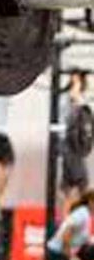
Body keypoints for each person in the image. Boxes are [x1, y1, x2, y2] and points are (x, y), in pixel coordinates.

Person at [34, 190, 94, 260]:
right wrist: (71, 258)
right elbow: (66, 234)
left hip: (64, 253)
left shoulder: (88, 215)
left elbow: (83, 240)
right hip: (56, 254)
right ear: (91, 202)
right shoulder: (82, 214)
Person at [60, 70, 89, 216]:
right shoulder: (71, 96)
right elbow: (75, 96)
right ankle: (69, 222)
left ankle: (65, 222)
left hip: (69, 145)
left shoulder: (68, 97)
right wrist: (76, 80)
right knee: (81, 184)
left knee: (70, 187)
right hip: (70, 145)